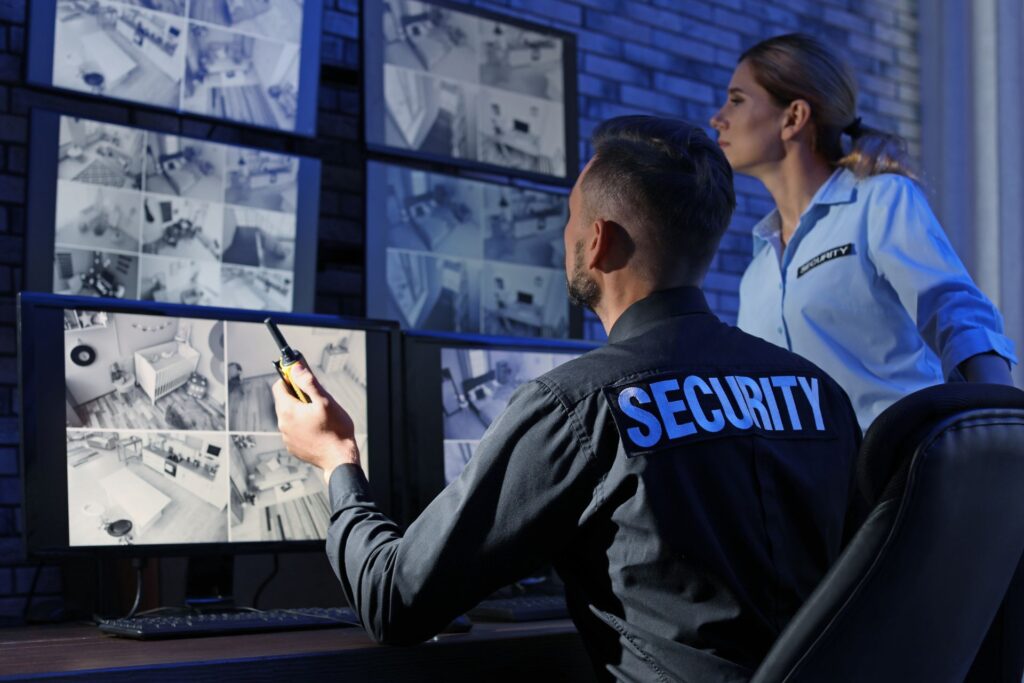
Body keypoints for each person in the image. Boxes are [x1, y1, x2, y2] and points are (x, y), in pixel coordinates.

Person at [272, 116, 862, 682]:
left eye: (571, 218)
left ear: (598, 242)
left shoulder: (577, 406)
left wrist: (335, 460)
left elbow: (395, 601)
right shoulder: (821, 395)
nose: (565, 235)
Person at [709, 33, 1017, 431]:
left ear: (794, 117)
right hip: (806, 487)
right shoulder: (757, 272)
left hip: (902, 476)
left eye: (736, 100)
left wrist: (1004, 430)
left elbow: (956, 312)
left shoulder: (880, 201)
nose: (717, 117)